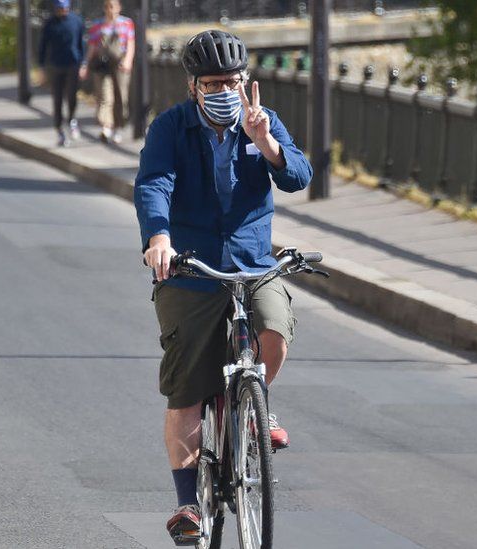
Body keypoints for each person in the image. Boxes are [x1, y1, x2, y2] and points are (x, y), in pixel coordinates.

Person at [133, 30, 312, 542]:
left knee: (274, 329)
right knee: (188, 387)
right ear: (193, 86)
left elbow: (300, 175)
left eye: (231, 81)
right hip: (189, 270)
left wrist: (268, 144)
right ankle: (188, 503)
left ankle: (253, 403)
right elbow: (154, 183)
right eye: (212, 82)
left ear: (245, 82)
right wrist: (159, 237)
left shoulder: (261, 121)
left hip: (253, 263)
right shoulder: (170, 128)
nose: (223, 90)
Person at [82, 0, 133, 144]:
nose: (110, 10)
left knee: (120, 96)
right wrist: (85, 65)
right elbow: (92, 47)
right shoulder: (98, 25)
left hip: (120, 64)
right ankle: (106, 125)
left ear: (119, 7)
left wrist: (128, 60)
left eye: (113, 6)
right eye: (107, 7)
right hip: (103, 65)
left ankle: (118, 126)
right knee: (105, 96)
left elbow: (130, 44)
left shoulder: (126, 23)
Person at [38, 0, 85, 147]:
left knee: (71, 96)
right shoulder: (50, 24)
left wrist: (83, 63)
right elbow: (43, 46)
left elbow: (81, 43)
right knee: (57, 99)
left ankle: (71, 119)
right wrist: (42, 68)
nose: (62, 10)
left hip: (73, 64)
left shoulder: (76, 21)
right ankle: (59, 130)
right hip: (56, 66)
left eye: (64, 8)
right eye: (59, 8)